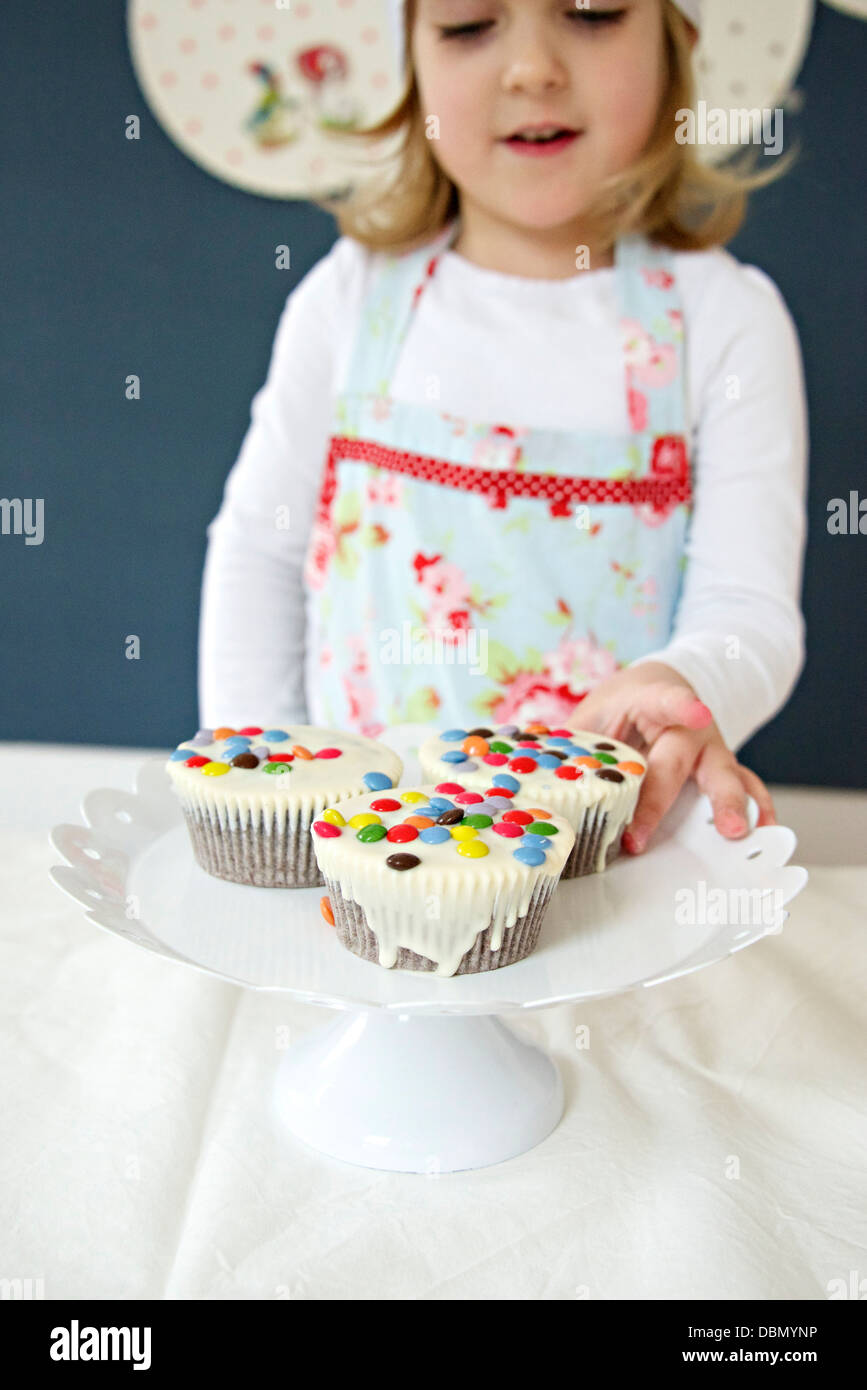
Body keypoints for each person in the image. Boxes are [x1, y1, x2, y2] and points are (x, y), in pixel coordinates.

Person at [198, 0, 807, 856]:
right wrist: (268, 796)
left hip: (617, 874)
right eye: (468, 24)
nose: (531, 68)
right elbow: (258, 555)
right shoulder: (351, 301)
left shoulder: (722, 320)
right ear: (408, 59)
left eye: (591, 13)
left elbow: (748, 608)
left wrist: (688, 680)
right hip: (362, 872)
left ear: (676, 46)